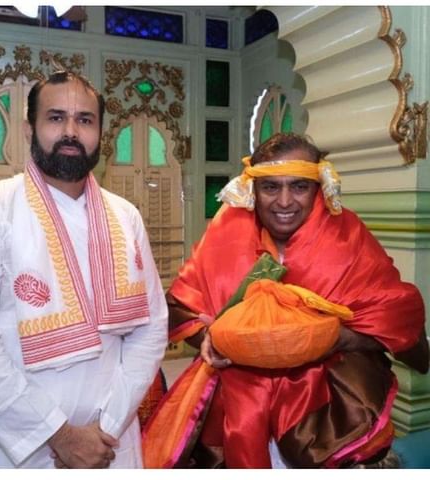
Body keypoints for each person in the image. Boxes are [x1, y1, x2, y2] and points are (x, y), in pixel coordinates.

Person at [142, 132, 428, 468]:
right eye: (270, 187)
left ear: (318, 188)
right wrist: (208, 338)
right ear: (253, 189)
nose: (284, 202)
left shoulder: (347, 236)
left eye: (299, 186)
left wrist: (338, 338)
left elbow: (394, 317)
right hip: (234, 404)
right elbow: (183, 304)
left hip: (326, 412)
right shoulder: (225, 233)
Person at [0, 71, 168, 468]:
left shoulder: (126, 217)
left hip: (109, 443)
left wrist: (107, 427)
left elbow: (151, 328)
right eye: (55, 118)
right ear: (28, 128)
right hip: (13, 449)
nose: (71, 131)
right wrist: (61, 436)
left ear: (100, 133)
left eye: (85, 120)